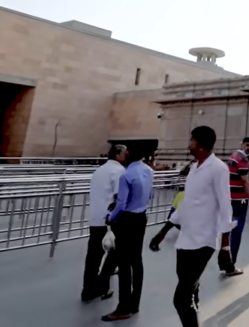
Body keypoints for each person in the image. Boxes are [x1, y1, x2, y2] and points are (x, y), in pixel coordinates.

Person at [163, 126, 234, 327]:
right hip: (185, 238)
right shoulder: (194, 168)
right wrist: (164, 230)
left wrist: (225, 247)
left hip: (204, 241)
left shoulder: (219, 168)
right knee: (187, 289)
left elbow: (225, 205)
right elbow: (187, 203)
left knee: (180, 299)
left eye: (192, 140)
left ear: (200, 144)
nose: (189, 143)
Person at [101, 147, 154, 321]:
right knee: (136, 261)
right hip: (141, 218)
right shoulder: (148, 170)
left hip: (127, 220)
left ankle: (123, 307)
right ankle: (134, 303)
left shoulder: (126, 176)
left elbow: (122, 203)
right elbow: (151, 195)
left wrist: (111, 218)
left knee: (124, 264)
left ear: (128, 156)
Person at [82, 145, 126, 302]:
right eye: (124, 152)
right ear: (117, 154)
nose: (126, 155)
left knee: (93, 256)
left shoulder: (99, 170)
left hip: (95, 217)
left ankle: (88, 289)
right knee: (114, 254)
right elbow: (118, 197)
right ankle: (102, 287)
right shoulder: (119, 171)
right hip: (109, 220)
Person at [222, 138, 249, 277]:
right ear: (241, 144)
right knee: (236, 233)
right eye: (247, 145)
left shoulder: (232, 157)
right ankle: (230, 266)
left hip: (229, 199)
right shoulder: (242, 160)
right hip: (239, 201)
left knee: (227, 232)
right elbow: (246, 182)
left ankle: (224, 263)